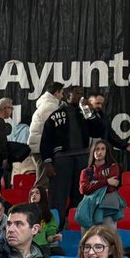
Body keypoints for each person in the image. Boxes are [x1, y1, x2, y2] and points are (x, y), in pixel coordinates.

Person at [41, 87, 89, 219]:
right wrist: (48, 162)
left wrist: (88, 111)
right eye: (77, 93)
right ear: (67, 96)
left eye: (82, 94)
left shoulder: (85, 114)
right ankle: (56, 227)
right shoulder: (55, 115)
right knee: (58, 195)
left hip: (82, 156)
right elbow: (46, 141)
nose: (81, 96)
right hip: (62, 158)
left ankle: (76, 224)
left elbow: (99, 129)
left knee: (80, 195)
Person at [77, 140, 123, 228]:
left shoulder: (113, 167)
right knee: (88, 239)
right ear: (93, 152)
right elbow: (83, 190)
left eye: (103, 149)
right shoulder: (85, 171)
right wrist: (106, 181)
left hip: (107, 208)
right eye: (97, 149)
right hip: (89, 209)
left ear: (106, 151)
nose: (99, 152)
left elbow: (110, 189)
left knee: (109, 238)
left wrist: (93, 184)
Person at [28, 83, 63, 179]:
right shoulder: (49, 107)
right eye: (62, 93)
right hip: (42, 149)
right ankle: (38, 194)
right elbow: (53, 129)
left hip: (39, 147)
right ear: (56, 93)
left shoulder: (46, 105)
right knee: (43, 180)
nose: (63, 96)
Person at [28, 185, 62, 252]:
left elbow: (49, 238)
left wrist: (54, 238)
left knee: (59, 252)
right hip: (27, 246)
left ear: (43, 196)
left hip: (43, 247)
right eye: (32, 193)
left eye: (37, 193)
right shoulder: (25, 212)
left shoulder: (48, 215)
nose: (34, 195)